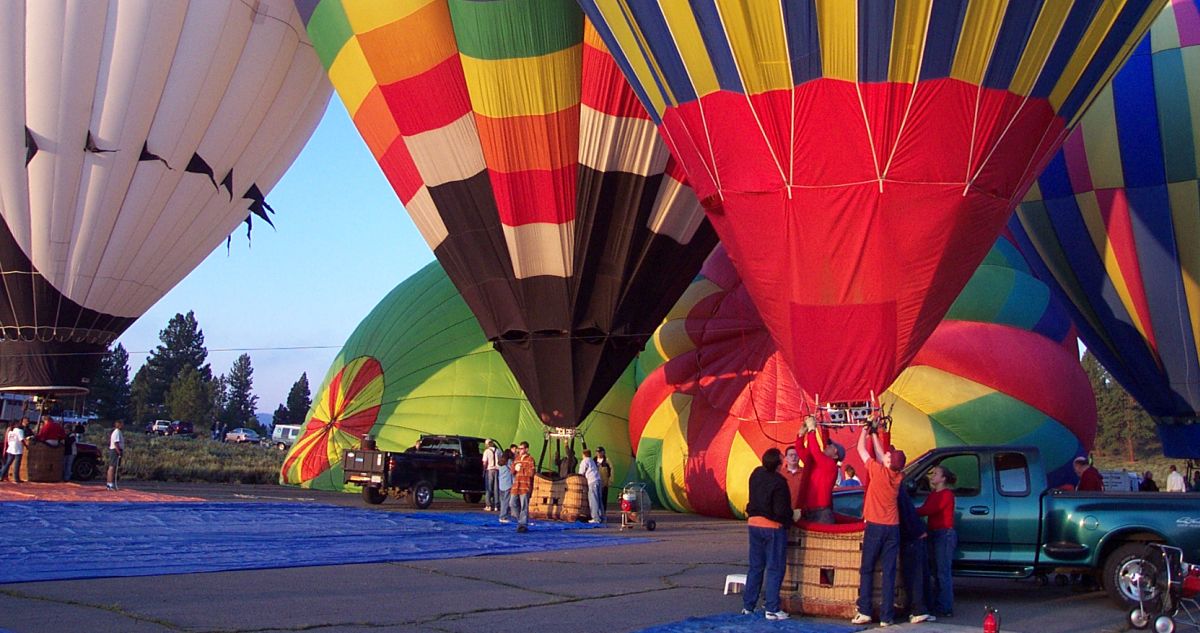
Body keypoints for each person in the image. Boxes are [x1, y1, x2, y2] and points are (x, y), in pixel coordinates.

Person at [851, 425, 906, 626]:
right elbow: (884, 456)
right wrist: (876, 434)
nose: (887, 455)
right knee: (889, 572)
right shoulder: (899, 476)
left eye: (890, 456)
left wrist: (865, 431)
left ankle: (864, 610)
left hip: (875, 527)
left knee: (867, 568)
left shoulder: (877, 471)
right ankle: (886, 616)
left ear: (890, 462)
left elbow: (860, 450)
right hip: (893, 528)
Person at [741, 447, 791, 621]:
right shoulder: (779, 482)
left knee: (756, 566)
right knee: (775, 568)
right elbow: (781, 510)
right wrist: (791, 518)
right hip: (772, 527)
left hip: (754, 524)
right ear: (778, 463)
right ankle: (772, 608)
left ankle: (748, 606)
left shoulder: (756, 474)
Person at [918, 465, 957, 618]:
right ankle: (938, 603)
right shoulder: (933, 494)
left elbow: (929, 510)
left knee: (942, 571)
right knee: (935, 570)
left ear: (943, 478)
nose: (932, 476)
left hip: (944, 534)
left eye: (936, 474)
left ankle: (945, 606)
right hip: (934, 533)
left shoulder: (946, 494)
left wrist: (909, 511)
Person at [796, 416, 843, 524]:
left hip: (822, 513)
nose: (826, 446)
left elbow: (815, 450)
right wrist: (801, 435)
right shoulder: (816, 463)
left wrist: (812, 430)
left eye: (830, 446)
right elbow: (801, 451)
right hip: (810, 510)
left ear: (835, 454)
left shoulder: (830, 465)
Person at [898, 485, 933, 624]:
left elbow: (906, 514)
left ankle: (918, 609)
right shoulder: (899, 489)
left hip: (911, 536)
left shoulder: (895, 489)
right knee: (920, 573)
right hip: (915, 535)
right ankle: (922, 608)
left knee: (914, 573)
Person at [510, 441, 535, 533]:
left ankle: (523, 524)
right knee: (512, 503)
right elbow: (512, 471)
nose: (519, 450)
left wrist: (522, 469)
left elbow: (532, 473)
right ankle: (520, 520)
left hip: (525, 485)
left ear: (526, 449)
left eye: (521, 448)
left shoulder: (530, 459)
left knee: (524, 505)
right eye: (519, 448)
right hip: (516, 485)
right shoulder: (516, 459)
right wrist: (514, 468)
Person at [578, 449, 603, 524]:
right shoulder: (592, 461)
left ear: (583, 455)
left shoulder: (585, 461)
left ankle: (595, 518)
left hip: (592, 482)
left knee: (593, 500)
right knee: (599, 499)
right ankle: (601, 516)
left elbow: (581, 473)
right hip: (598, 480)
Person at [781, 445, 805, 521]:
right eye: (791, 455)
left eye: (796, 455)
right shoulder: (780, 474)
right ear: (786, 458)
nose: (794, 457)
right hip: (784, 511)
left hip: (802, 512)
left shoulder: (805, 473)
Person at [482, 439, 500, 511]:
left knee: (488, 488)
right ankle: (496, 505)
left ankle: (488, 505)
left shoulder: (486, 451)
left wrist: (483, 470)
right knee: (496, 488)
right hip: (497, 470)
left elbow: (485, 462)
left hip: (489, 470)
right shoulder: (498, 451)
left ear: (487, 444)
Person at [497, 450, 514, 524]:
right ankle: (503, 516)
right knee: (506, 502)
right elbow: (513, 471)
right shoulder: (509, 462)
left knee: (502, 501)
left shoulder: (500, 462)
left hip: (501, 484)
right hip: (508, 484)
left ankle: (503, 515)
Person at [106, 420, 125, 491]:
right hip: (115, 451)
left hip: (115, 450)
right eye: (122, 424)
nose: (123, 425)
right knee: (112, 467)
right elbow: (116, 443)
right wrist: (118, 452)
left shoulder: (118, 432)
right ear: (119, 425)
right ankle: (110, 484)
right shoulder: (117, 432)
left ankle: (110, 484)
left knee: (113, 467)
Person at [596, 446, 612, 512]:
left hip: (604, 483)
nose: (598, 454)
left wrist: (610, 481)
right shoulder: (594, 460)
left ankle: (603, 512)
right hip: (596, 482)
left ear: (603, 452)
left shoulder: (607, 461)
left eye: (599, 452)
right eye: (597, 452)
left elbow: (611, 471)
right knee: (596, 498)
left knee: (603, 498)